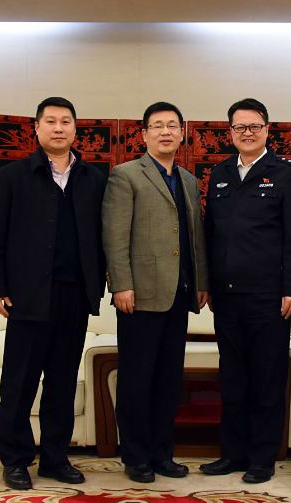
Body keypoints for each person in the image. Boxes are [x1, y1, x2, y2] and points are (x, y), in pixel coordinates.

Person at [0, 97, 106, 490]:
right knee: (19, 383)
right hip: (28, 296)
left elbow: (103, 237)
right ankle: (16, 459)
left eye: (65, 121)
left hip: (75, 295)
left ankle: (55, 458)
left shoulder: (93, 178)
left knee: (62, 383)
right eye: (50, 121)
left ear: (75, 129)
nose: (58, 128)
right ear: (36, 128)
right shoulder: (14, 175)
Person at [200, 98, 291, 483]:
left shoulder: (287, 174)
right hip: (227, 297)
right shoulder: (220, 173)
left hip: (270, 298)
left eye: (254, 126)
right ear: (230, 132)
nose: (247, 133)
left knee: (266, 380)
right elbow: (210, 234)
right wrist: (208, 284)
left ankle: (262, 457)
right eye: (239, 127)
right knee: (232, 379)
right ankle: (232, 453)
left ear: (267, 129)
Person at [102, 102, 209, 483]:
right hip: (140, 295)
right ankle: (136, 457)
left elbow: (195, 237)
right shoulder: (126, 175)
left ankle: (163, 454)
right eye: (157, 126)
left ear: (182, 134)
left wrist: (201, 282)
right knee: (137, 380)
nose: (166, 132)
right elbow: (115, 236)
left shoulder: (189, 180)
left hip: (179, 294)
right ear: (144, 134)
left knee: (168, 381)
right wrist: (121, 284)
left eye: (172, 126)